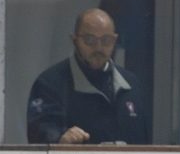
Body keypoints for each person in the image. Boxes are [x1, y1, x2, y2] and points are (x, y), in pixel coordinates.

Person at [26, 9, 150, 146]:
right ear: (75, 40)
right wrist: (60, 140)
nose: (98, 47)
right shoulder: (49, 83)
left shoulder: (131, 84)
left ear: (115, 40)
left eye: (106, 40)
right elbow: (38, 135)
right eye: (90, 40)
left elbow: (143, 143)